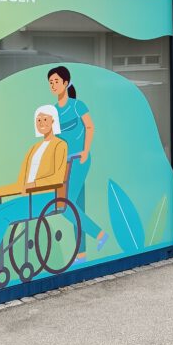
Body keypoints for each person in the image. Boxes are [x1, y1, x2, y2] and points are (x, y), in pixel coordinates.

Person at [0, 105, 69, 282]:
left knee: (2, 215)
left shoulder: (60, 146)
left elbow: (57, 178)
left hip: (46, 198)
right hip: (29, 197)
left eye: (45, 119)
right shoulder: (33, 149)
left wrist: (34, 184)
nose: (41, 123)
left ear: (53, 121)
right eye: (38, 120)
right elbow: (20, 184)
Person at [47, 65, 108, 259]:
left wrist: (85, 151)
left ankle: (99, 233)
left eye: (56, 81)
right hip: (64, 163)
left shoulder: (77, 105)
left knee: (65, 205)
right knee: (77, 206)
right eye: (50, 82)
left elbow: (89, 127)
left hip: (79, 160)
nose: (53, 85)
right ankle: (81, 255)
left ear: (66, 83)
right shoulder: (53, 111)